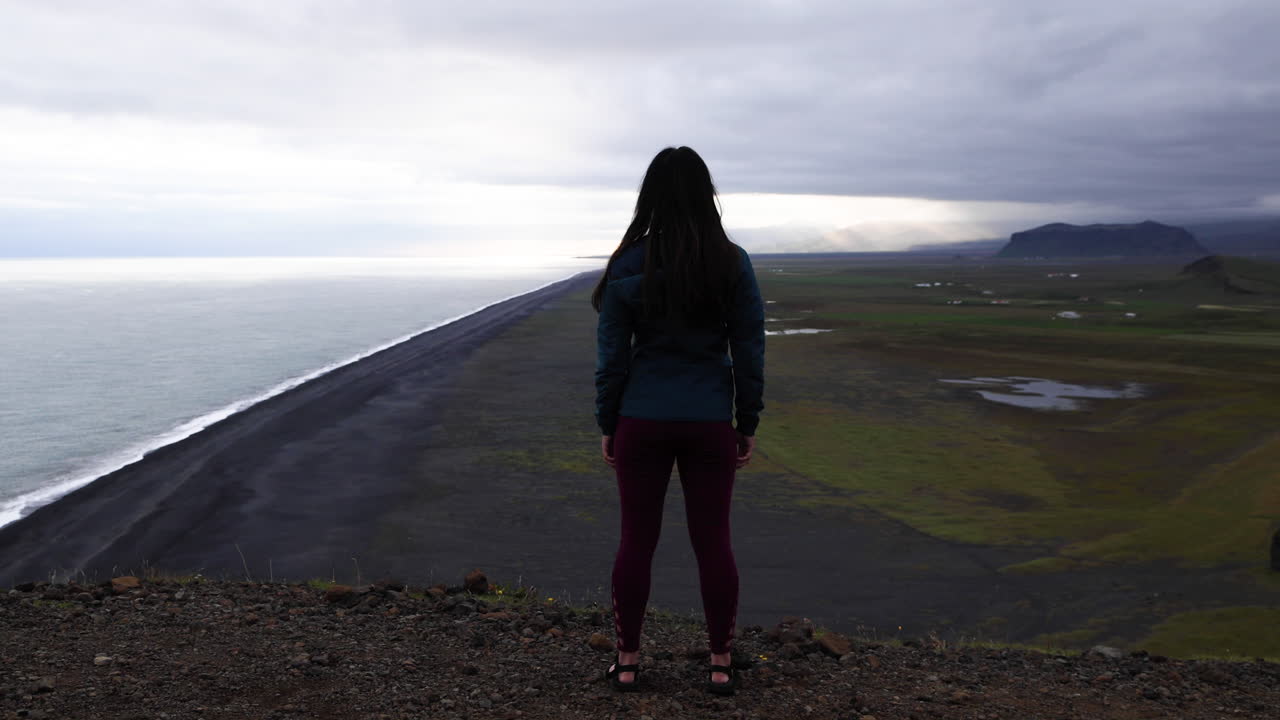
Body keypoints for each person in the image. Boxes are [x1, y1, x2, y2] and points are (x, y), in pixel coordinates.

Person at [593, 146, 765, 695]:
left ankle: (627, 662)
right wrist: (747, 421)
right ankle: (719, 663)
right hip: (709, 419)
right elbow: (750, 349)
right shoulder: (730, 261)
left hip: (641, 419)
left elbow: (612, 359)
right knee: (713, 541)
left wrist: (608, 421)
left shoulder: (626, 264)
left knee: (635, 542)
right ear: (706, 195)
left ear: (649, 198)